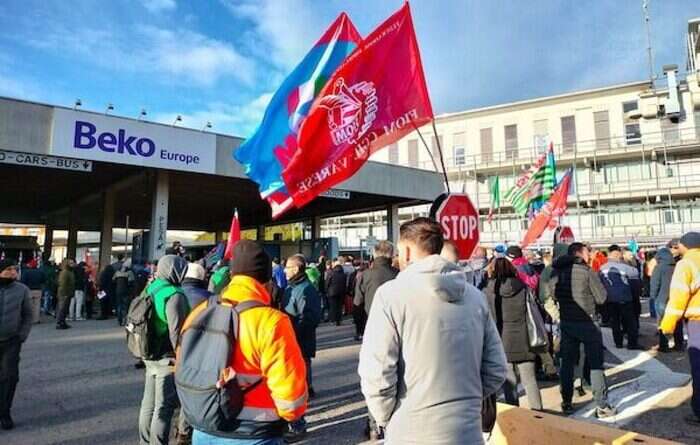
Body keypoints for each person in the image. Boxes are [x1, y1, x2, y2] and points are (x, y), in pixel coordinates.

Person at [358, 218, 507, 444]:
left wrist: (385, 418)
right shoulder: (475, 297)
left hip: (410, 431)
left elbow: (377, 372)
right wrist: (466, 403)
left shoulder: (390, 296)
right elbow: (496, 368)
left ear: (406, 251)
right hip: (467, 431)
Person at [184, 241, 308, 445]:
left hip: (203, 427)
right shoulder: (272, 322)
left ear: (232, 276)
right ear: (267, 281)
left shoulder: (200, 311)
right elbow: (291, 400)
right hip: (255, 435)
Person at [546, 242, 615, 418]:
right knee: (595, 363)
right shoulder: (586, 272)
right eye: (587, 252)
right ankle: (602, 405)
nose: (589, 255)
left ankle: (566, 402)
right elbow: (601, 298)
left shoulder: (557, 271)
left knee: (567, 363)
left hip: (567, 322)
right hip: (588, 321)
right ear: (578, 253)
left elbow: (553, 294)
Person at [138, 255, 190, 445]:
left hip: (148, 352)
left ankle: (145, 442)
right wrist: (181, 357)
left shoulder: (152, 287)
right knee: (163, 407)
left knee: (148, 405)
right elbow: (176, 332)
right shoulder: (174, 294)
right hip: (166, 357)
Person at [484, 257, 543, 411]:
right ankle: (538, 414)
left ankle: (514, 413)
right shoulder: (523, 288)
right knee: (530, 381)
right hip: (524, 339)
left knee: (509, 383)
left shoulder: (488, 291)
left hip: (501, 341)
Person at [660, 232, 700, 426]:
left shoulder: (686, 264)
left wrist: (667, 325)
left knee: (699, 368)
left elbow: (678, 297)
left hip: (698, 322)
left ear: (685, 246)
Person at [282, 254, 321, 438]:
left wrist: (293, 332)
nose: (284, 270)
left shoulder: (307, 290)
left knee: (298, 378)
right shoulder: (291, 288)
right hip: (291, 339)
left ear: (296, 269)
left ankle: (298, 423)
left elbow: (311, 318)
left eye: (287, 267)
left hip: (299, 341)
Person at [0, 259, 33, 430]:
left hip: (12, 341)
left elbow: (28, 315)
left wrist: (22, 335)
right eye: (8, 269)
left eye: (14, 269)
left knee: (9, 376)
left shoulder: (22, 290)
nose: (13, 272)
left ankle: (5, 412)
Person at [599, 245, 643, 350]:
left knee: (615, 322)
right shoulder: (626, 268)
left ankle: (618, 342)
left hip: (610, 299)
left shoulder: (602, 268)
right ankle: (632, 343)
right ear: (619, 255)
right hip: (625, 298)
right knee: (630, 321)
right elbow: (636, 277)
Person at [650, 247, 683, 353]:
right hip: (676, 299)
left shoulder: (659, 268)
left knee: (662, 322)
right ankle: (679, 344)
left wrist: (652, 297)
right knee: (677, 322)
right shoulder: (677, 267)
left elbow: (655, 285)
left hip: (662, 298)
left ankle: (664, 346)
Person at [20, 259, 45, 324]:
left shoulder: (26, 272)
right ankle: (36, 319)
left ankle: (29, 319)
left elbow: (23, 281)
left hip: (28, 290)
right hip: (38, 290)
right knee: (37, 305)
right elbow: (43, 280)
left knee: (29, 305)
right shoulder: (40, 272)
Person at [113, 259, 135, 326]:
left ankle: (119, 320)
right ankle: (125, 320)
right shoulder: (129, 272)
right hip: (126, 291)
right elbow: (132, 282)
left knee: (119, 305)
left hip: (118, 291)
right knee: (126, 306)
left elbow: (113, 280)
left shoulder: (117, 272)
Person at [325, 258, 347, 326]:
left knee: (333, 307)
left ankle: (332, 320)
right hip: (341, 292)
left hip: (332, 292)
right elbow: (345, 284)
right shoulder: (344, 275)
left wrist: (326, 290)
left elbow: (327, 283)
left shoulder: (331, 273)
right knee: (339, 307)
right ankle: (339, 320)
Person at [56, 258, 75, 330]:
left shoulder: (70, 272)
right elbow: (62, 284)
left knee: (65, 308)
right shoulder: (65, 272)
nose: (72, 264)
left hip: (68, 292)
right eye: (70, 263)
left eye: (73, 263)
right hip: (64, 293)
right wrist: (64, 293)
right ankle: (59, 323)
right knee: (62, 308)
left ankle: (63, 322)